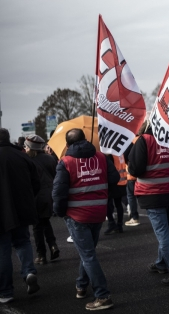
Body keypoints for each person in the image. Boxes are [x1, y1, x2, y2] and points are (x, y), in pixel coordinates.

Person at [52, 128, 119, 310]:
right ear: (85, 140)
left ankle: (103, 296)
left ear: (67, 145)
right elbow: (115, 178)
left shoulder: (65, 162)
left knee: (88, 255)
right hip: (98, 212)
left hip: (77, 215)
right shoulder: (101, 157)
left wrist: (60, 212)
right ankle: (81, 285)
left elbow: (58, 193)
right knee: (88, 253)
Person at [127, 122, 169, 286]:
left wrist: (130, 159)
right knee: (166, 231)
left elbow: (135, 170)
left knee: (163, 234)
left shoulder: (144, 140)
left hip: (151, 194)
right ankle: (161, 263)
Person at [0, 128, 41, 303]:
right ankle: (29, 271)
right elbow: (36, 182)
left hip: (2, 212)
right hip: (22, 207)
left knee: (3, 250)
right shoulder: (22, 156)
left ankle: (6, 291)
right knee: (23, 241)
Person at [24, 135, 60, 264]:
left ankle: (41, 255)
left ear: (31, 148)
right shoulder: (50, 159)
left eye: (26, 146)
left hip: (36, 196)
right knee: (45, 222)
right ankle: (53, 245)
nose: (25, 149)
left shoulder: (28, 161)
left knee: (37, 227)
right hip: (50, 195)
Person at [104, 155, 128, 235]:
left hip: (113, 182)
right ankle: (119, 225)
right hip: (122, 180)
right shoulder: (120, 152)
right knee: (118, 204)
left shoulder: (109, 155)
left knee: (107, 203)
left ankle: (112, 223)